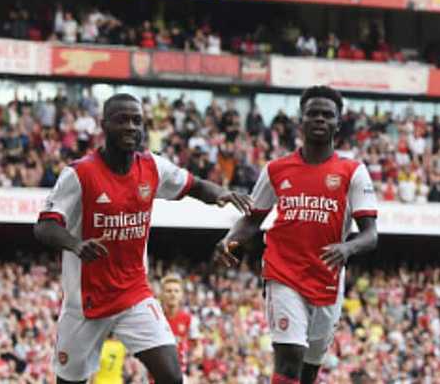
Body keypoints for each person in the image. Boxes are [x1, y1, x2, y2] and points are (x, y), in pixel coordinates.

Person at [35, 93, 252, 384]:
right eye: (121, 120)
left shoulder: (152, 166)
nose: (131, 127)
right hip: (85, 303)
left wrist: (220, 194)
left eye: (137, 120)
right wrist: (75, 244)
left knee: (172, 377)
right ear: (104, 125)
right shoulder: (79, 174)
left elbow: (194, 185)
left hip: (133, 294)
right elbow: (44, 226)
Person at [215, 86, 378, 384]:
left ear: (338, 123)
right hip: (283, 272)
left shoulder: (353, 171)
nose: (319, 119)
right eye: (312, 114)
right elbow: (252, 219)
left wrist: (347, 248)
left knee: (307, 371)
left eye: (327, 115)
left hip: (327, 279)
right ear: (300, 121)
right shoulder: (277, 169)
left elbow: (370, 235)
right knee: (289, 358)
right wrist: (230, 238)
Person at [158, 274, 198, 376]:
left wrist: (196, 354)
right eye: (169, 291)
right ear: (161, 294)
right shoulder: (155, 319)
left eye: (176, 291)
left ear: (181, 295)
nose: (173, 294)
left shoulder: (189, 319)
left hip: (180, 375)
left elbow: (197, 345)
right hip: (156, 376)